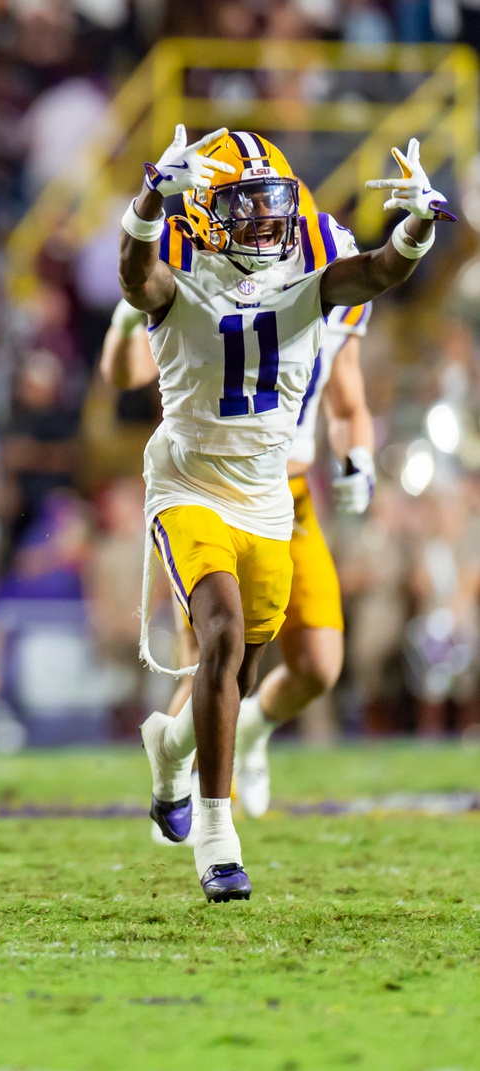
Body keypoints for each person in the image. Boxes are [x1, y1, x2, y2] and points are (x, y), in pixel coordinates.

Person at [118, 126, 449, 901]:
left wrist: (419, 224)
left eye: (271, 203)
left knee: (242, 669)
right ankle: (217, 836)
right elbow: (136, 277)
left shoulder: (309, 271)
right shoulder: (179, 274)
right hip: (189, 483)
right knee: (222, 632)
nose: (264, 220)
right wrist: (147, 203)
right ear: (203, 212)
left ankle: (170, 747)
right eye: (244, 205)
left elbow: (380, 270)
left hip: (270, 494)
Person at [102, 199, 375, 821]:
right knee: (210, 650)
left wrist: (358, 456)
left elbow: (348, 399)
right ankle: (193, 798)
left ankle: (246, 733)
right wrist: (126, 321)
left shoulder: (336, 290)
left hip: (288, 494)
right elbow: (127, 371)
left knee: (319, 666)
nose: (266, 238)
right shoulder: (210, 281)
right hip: (207, 486)